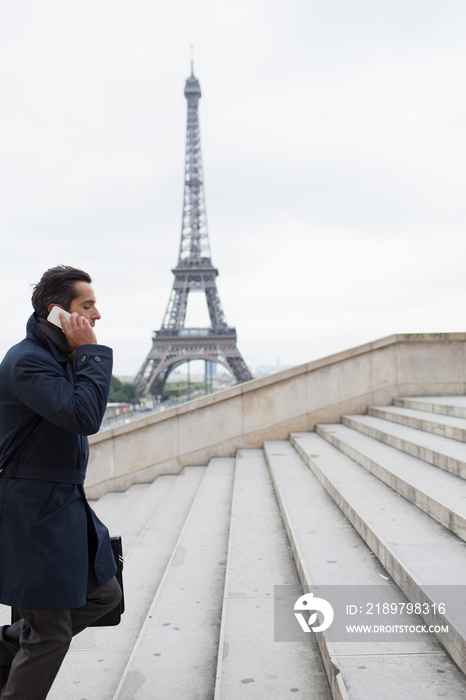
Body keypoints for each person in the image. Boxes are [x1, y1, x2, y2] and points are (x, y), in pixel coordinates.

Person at [0, 265, 122, 699]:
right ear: (59, 313)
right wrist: (91, 352)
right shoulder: (28, 361)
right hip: (32, 512)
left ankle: (5, 654)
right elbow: (83, 417)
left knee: (104, 593)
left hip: (60, 504)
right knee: (50, 634)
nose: (98, 315)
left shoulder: (57, 356)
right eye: (87, 305)